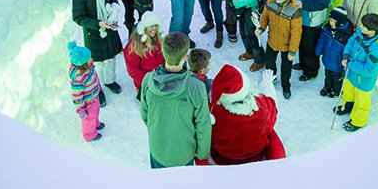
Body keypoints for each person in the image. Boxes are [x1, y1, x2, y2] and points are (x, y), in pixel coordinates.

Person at [140, 32, 212, 168]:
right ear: (185, 57)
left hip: (158, 151)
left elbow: (145, 115)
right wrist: (202, 154)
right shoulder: (196, 87)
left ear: (163, 53)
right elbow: (203, 125)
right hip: (183, 154)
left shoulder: (148, 80)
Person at [209, 64, 286, 164]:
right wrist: (267, 85)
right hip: (257, 154)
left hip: (225, 158)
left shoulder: (214, 112)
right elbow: (273, 110)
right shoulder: (261, 107)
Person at [72, 0, 123, 96]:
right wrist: (97, 23)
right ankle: (97, 87)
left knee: (111, 58)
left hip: (109, 29)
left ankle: (109, 81)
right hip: (93, 33)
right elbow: (78, 17)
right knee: (97, 63)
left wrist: (114, 8)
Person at [336, 13, 378, 132]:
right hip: (351, 74)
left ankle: (358, 122)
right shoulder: (361, 32)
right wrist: (346, 55)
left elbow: (369, 70)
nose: (360, 26)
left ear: (372, 32)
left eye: (364, 26)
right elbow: (351, 42)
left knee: (361, 102)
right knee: (348, 92)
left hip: (364, 81)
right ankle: (347, 107)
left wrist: (350, 63)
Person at [255, 0, 302, 99]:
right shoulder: (270, 3)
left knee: (286, 67)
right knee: (270, 62)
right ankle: (271, 78)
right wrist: (261, 28)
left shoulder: (294, 10)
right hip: (272, 40)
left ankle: (286, 85)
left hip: (286, 45)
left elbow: (296, 32)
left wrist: (292, 51)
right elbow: (265, 17)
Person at [67, 41, 106, 142]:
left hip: (94, 96)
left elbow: (95, 79)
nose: (91, 59)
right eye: (89, 59)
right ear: (82, 64)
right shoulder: (78, 78)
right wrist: (81, 109)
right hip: (87, 103)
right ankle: (89, 134)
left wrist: (99, 88)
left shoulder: (90, 68)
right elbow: (77, 96)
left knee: (96, 111)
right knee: (88, 119)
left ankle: (95, 123)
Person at [123, 11, 165, 100]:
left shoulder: (160, 40)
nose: (154, 29)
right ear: (144, 27)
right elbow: (133, 70)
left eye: (156, 25)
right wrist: (148, 81)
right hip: (146, 81)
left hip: (161, 77)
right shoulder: (134, 46)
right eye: (151, 26)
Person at [315, 7, 352, 98]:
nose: (331, 23)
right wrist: (318, 51)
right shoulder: (326, 29)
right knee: (328, 75)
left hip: (338, 62)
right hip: (327, 59)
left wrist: (345, 61)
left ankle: (336, 90)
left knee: (337, 78)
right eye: (330, 20)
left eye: (334, 21)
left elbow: (348, 50)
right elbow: (321, 41)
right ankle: (327, 87)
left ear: (340, 22)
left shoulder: (346, 35)